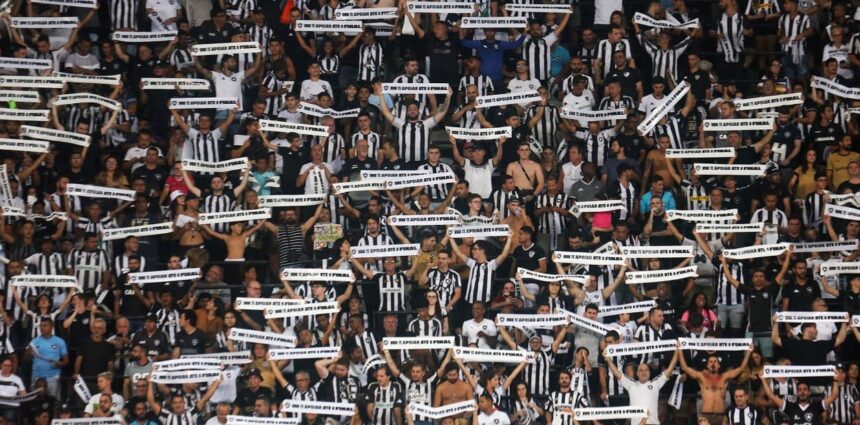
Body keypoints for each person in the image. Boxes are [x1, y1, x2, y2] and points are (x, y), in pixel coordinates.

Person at [677, 342, 754, 425]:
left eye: (715, 361)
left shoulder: (724, 377)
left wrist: (749, 351)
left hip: (721, 416)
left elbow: (741, 368)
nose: (713, 363)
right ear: (707, 365)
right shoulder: (701, 377)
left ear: (719, 366)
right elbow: (684, 367)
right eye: (710, 362)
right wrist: (680, 350)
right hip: (706, 415)